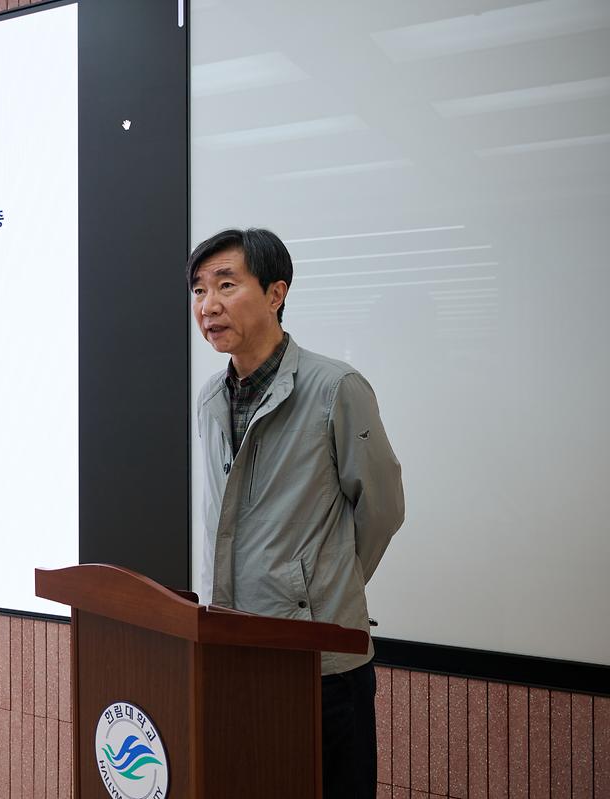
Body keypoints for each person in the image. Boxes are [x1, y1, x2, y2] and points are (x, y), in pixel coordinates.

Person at [188, 227, 404, 799]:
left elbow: (382, 507)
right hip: (233, 651)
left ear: (276, 293)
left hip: (318, 662)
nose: (208, 305)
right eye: (199, 289)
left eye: (226, 285)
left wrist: (322, 587)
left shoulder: (336, 388)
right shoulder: (210, 399)